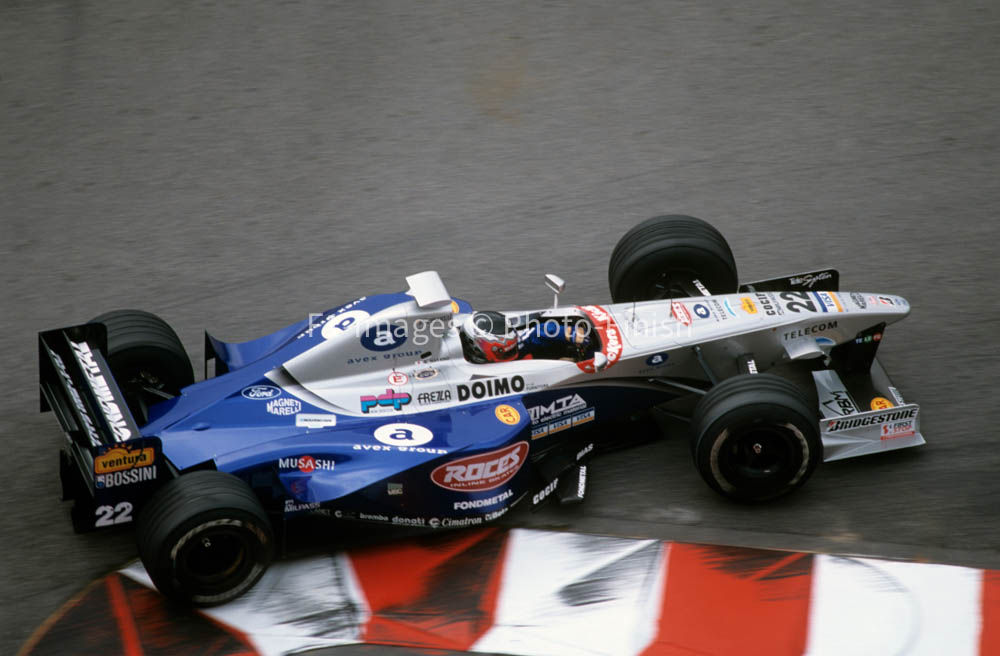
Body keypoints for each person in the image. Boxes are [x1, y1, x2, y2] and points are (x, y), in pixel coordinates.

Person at [461, 311, 593, 363]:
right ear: (478, 347)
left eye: (512, 348)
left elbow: (540, 331)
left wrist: (573, 333)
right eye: (503, 352)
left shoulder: (513, 342)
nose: (512, 351)